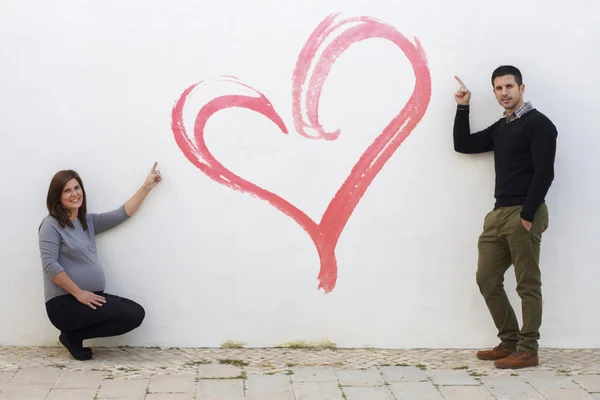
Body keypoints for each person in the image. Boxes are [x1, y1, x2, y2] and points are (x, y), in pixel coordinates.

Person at [453, 66, 557, 369]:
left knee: (527, 283)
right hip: (498, 214)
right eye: (498, 88)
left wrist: (527, 214)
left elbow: (545, 172)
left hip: (525, 211)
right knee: (486, 278)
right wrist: (463, 106)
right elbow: (463, 145)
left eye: (509, 86)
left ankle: (528, 349)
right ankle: (509, 341)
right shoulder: (502, 128)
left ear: (521, 88)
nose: (504, 93)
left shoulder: (539, 124)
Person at [39, 163, 162, 360]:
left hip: (89, 297)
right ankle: (72, 334)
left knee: (134, 314)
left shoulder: (87, 222)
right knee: (131, 314)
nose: (74, 194)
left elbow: (121, 214)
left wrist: (147, 186)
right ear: (57, 197)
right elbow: (50, 265)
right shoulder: (51, 225)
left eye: (77, 188)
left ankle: (73, 336)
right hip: (64, 304)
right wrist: (79, 293)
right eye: (67, 190)